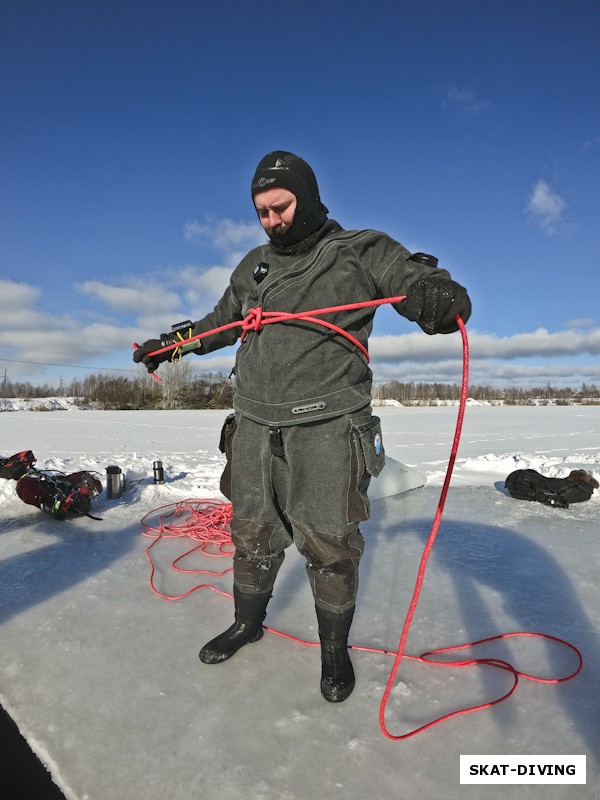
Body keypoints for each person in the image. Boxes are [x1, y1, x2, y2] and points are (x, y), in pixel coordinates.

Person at [134, 151, 471, 703]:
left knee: (329, 541)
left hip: (329, 427)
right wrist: (169, 346)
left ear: (308, 197)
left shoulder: (358, 252)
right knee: (251, 532)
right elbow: (223, 322)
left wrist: (436, 293)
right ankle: (248, 622)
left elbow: (410, 277)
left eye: (281, 207)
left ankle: (334, 650)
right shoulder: (253, 266)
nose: (272, 220)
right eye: (262, 212)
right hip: (254, 425)